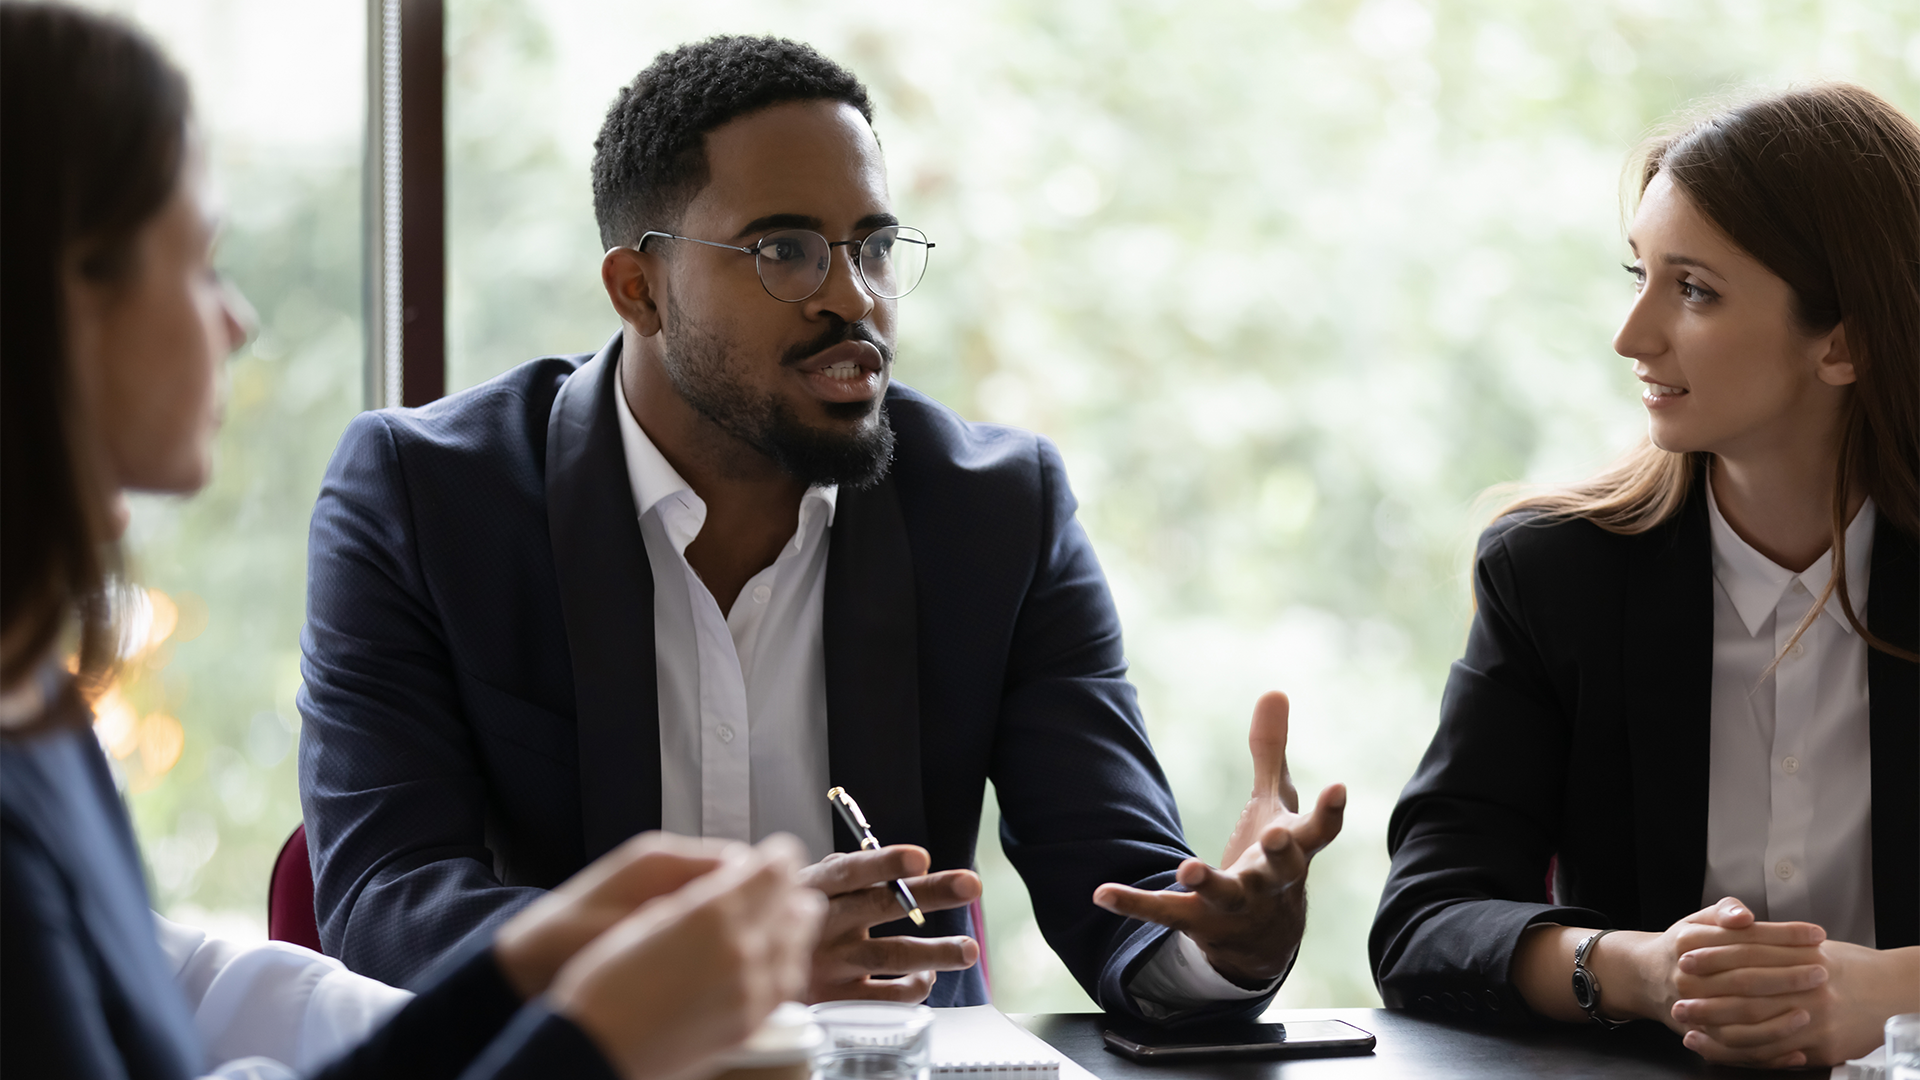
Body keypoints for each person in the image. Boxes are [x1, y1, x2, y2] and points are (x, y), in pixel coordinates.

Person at [297, 34, 1346, 1020]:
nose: (854, 300)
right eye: (785, 251)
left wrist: (1226, 945)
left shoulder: (994, 512)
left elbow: (1120, 900)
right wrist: (721, 964)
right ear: (638, 289)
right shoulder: (426, 499)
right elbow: (387, 906)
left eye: (875, 245)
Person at [0, 5, 822, 1078]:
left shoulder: (39, 713)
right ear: (63, 294)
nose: (238, 321)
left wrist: (529, 968)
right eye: (200, 260)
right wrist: (590, 1046)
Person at [1371, 82, 1920, 1070]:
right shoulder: (1554, 574)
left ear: (1845, 341)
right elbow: (1427, 920)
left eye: (1695, 290)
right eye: (1640, 275)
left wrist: (1891, 994)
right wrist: (1643, 971)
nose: (1632, 336)